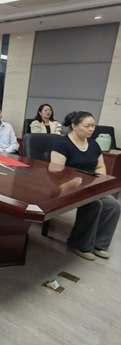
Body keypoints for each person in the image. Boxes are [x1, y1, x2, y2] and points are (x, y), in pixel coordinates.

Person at [50, 111, 120, 261]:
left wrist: (98, 181)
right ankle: (79, 244)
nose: (91, 129)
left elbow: (100, 167)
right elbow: (56, 173)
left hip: (90, 187)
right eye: (87, 126)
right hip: (69, 186)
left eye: (93, 126)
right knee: (95, 204)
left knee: (113, 205)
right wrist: (76, 183)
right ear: (74, 126)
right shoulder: (62, 144)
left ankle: (99, 244)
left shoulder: (93, 144)